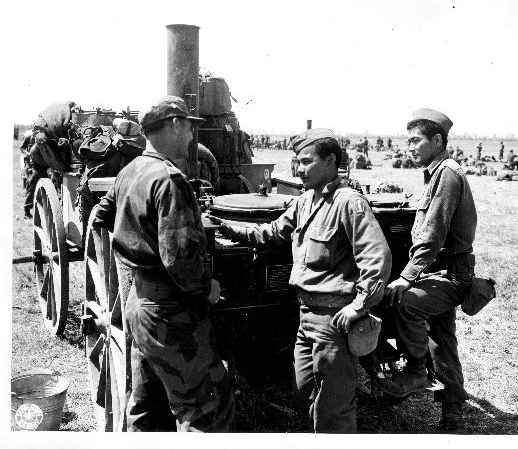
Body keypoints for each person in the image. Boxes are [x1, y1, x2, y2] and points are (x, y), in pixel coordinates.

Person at [210, 128, 392, 433]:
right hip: (305, 317)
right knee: (304, 393)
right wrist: (226, 227)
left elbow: (377, 258)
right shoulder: (305, 201)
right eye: (297, 162)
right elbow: (270, 233)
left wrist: (359, 305)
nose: (298, 168)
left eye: (306, 161)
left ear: (331, 160)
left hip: (334, 321)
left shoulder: (349, 203)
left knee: (334, 407)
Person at [93, 95, 234, 432]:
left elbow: (101, 215)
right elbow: (181, 260)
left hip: (139, 306)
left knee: (148, 407)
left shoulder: (130, 170)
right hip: (172, 314)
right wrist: (208, 289)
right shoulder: (169, 180)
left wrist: (136, 240)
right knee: (207, 407)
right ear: (173, 125)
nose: (190, 136)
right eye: (188, 127)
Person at [382, 108, 477, 434]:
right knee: (442, 340)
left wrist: (407, 276)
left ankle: (415, 371)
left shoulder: (447, 174)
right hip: (440, 271)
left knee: (405, 301)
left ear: (437, 140)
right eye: (407, 140)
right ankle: (453, 416)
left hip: (450, 274)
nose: (409, 147)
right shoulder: (438, 172)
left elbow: (433, 234)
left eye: (415, 140)